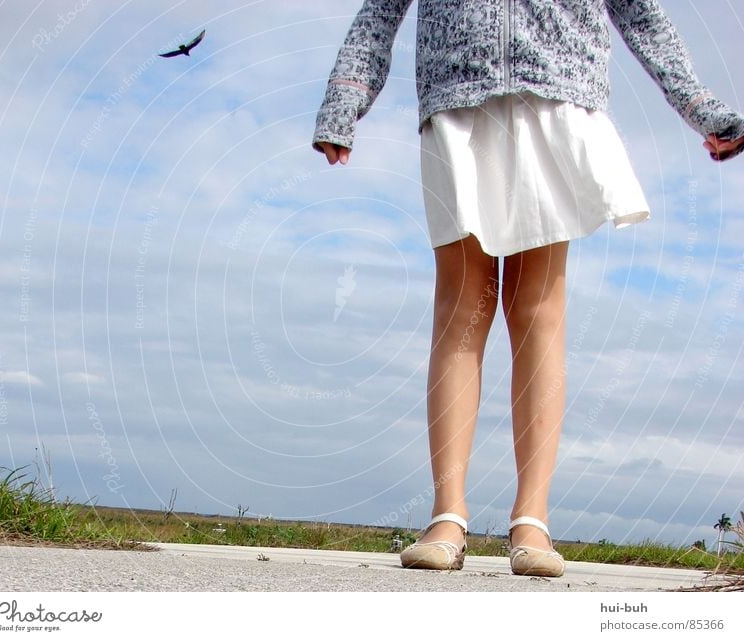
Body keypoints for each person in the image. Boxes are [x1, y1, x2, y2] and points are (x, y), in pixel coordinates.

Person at [312, 0, 744, 577]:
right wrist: (344, 105)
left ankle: (531, 521)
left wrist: (702, 108)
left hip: (557, 91)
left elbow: (641, 14)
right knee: (462, 304)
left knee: (537, 306)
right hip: (456, 96)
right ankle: (447, 516)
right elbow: (379, 13)